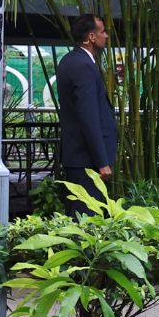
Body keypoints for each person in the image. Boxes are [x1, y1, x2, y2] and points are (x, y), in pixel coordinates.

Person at [56, 13, 117, 216]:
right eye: (103, 32)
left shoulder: (71, 60)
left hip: (79, 157)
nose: (106, 36)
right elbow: (88, 117)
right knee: (86, 218)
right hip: (86, 161)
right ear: (91, 37)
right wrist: (102, 162)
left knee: (82, 215)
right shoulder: (83, 66)